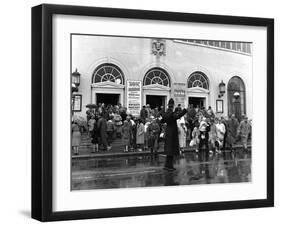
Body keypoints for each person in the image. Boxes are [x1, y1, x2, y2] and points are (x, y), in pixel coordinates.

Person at [161, 98, 187, 171]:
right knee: (171, 150)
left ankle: (167, 165)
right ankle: (169, 166)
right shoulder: (171, 113)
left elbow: (162, 120)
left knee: (169, 150)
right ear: (172, 105)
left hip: (168, 131)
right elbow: (177, 116)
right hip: (172, 132)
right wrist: (184, 110)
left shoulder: (166, 113)